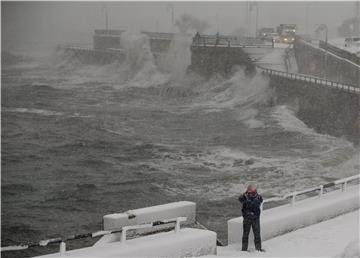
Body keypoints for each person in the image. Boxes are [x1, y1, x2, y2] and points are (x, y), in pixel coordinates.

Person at [238, 184, 264, 252]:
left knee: (251, 234)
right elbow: (240, 199)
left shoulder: (255, 197)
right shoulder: (253, 196)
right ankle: (255, 248)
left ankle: (247, 249)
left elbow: (261, 200)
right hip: (250, 217)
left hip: (252, 217)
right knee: (252, 234)